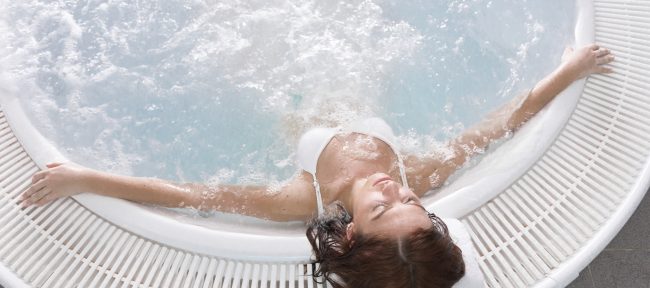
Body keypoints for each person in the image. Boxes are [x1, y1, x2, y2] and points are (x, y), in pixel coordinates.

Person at [20, 44, 614, 288]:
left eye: (385, 207)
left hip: (286, 95)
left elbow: (188, 192)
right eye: (414, 207)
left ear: (352, 228)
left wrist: (85, 177)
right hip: (354, 71)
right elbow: (496, 125)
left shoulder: (302, 200)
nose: (395, 190)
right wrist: (566, 71)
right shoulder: (415, 176)